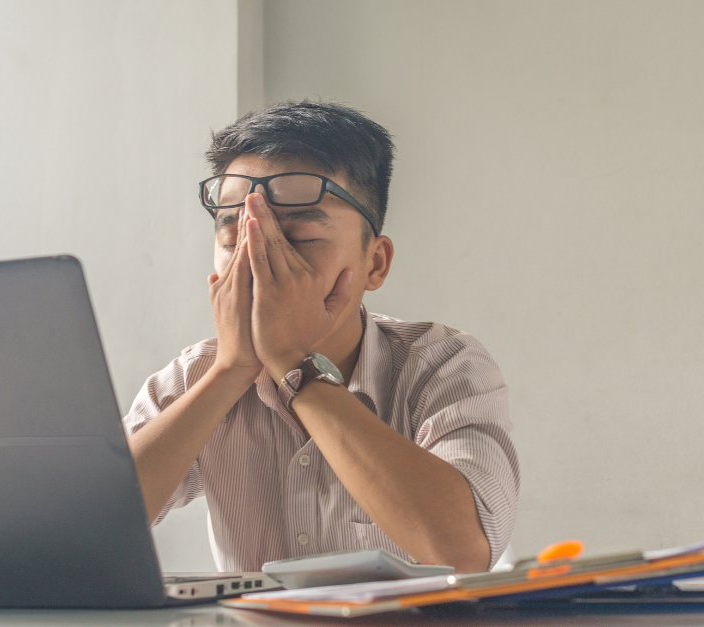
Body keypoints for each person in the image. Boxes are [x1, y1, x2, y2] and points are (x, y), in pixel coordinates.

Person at [122, 101, 518, 574]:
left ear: (376, 263)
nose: (259, 264)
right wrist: (230, 372)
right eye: (233, 242)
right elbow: (88, 527)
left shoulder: (442, 365)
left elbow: (463, 552)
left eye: (300, 240)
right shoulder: (195, 376)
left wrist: (295, 364)